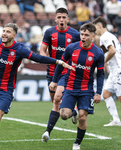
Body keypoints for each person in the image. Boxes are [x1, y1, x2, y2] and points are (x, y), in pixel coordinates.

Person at [0, 16, 74, 150]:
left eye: (8, 32)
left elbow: (38, 58)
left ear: (14, 35)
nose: (4, 34)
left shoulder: (19, 49)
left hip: (5, 90)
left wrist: (58, 61)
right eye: (4, 31)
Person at [49, 22, 105, 150]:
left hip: (86, 90)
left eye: (86, 35)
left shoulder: (98, 53)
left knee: (83, 117)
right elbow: (60, 63)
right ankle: (73, 111)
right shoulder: (71, 48)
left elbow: (101, 74)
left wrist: (98, 93)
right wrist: (54, 80)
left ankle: (77, 143)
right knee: (63, 115)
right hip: (70, 87)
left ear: (93, 36)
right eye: (82, 34)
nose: (83, 37)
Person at [40, 7, 80, 143]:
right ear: (55, 19)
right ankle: (73, 112)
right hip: (51, 71)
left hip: (66, 72)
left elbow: (79, 51)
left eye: (64, 17)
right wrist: (46, 59)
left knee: (57, 98)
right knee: (56, 104)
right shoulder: (49, 32)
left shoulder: (74, 34)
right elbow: (42, 50)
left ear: (68, 19)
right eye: (59, 17)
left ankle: (47, 132)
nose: (61, 20)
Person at [93, 16, 121, 127]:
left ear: (99, 25)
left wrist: (103, 62)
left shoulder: (104, 37)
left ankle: (116, 120)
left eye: (95, 27)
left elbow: (113, 51)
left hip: (118, 70)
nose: (95, 30)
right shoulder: (111, 36)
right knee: (105, 94)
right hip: (115, 70)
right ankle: (116, 121)